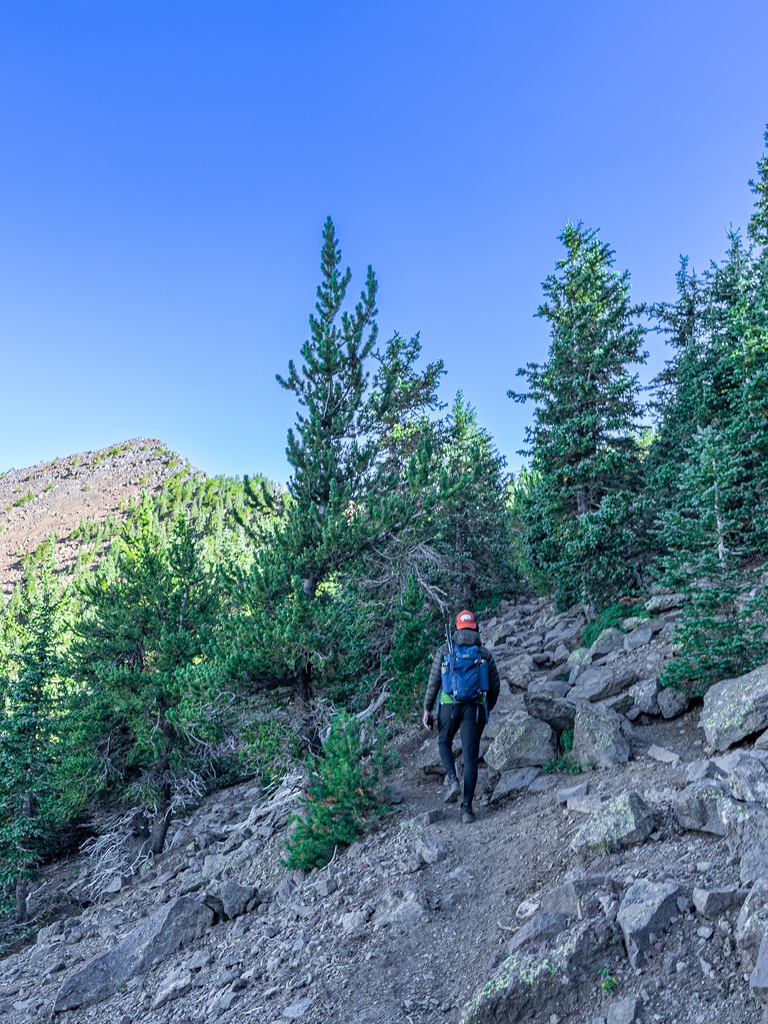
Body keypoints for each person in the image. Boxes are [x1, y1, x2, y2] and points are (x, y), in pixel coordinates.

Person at [422, 609, 500, 823]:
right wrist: (487, 707)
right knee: (470, 757)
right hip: (474, 708)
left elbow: (434, 681)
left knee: (444, 741)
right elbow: (495, 685)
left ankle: (453, 779)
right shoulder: (483, 653)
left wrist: (427, 708)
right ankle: (466, 810)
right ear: (475, 627)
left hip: (450, 704)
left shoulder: (446, 649)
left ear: (457, 627)